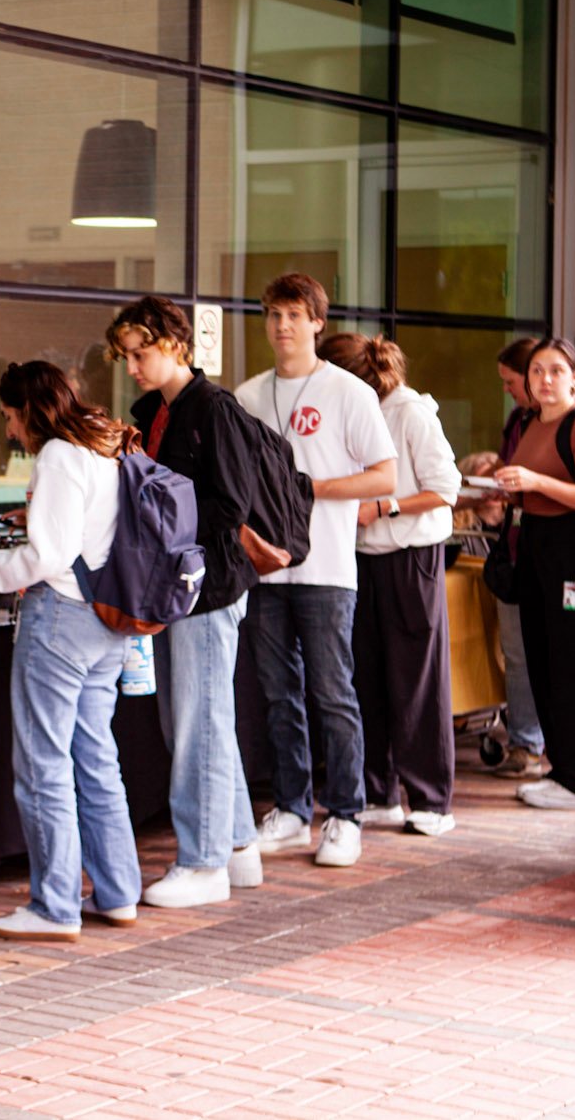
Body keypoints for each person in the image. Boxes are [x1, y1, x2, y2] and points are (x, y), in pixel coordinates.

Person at [0, 361, 142, 941]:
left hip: (60, 621)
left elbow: (48, 556)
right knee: (96, 758)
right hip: (105, 623)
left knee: (43, 764)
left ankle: (55, 906)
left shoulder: (59, 456)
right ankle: (117, 893)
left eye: (11, 417)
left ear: (30, 411)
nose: (10, 431)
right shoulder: (102, 445)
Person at [107, 296, 269, 908]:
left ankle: (204, 862)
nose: (132, 366)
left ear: (175, 344)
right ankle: (236, 845)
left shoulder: (214, 409)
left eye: (140, 353)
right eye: (126, 355)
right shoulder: (151, 410)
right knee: (198, 718)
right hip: (176, 582)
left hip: (207, 584)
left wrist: (157, 509)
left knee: (197, 719)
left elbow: (230, 505)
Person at [231, 275, 396, 870]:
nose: (282, 326)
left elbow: (385, 477)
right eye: (273, 314)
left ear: (318, 323)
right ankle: (294, 809)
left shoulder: (347, 392)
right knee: (278, 695)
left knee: (332, 694)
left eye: (295, 315)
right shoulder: (248, 396)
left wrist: (309, 490)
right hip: (267, 572)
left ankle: (345, 815)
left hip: (328, 567)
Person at [322, 333, 461, 837]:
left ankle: (431, 800)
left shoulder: (409, 411)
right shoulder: (352, 411)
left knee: (417, 680)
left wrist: (383, 506)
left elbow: (446, 488)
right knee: (367, 677)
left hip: (411, 557)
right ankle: (377, 792)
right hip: (359, 558)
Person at [492, 338, 575, 810]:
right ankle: (561, 770)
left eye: (555, 371)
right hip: (538, 544)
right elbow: (534, 488)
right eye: (536, 371)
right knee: (543, 659)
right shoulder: (530, 423)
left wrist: (535, 482)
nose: (544, 380)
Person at [488, 336, 546, 779]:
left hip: (556, 553)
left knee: (563, 650)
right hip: (514, 547)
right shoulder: (517, 421)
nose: (508, 390)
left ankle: (559, 745)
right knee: (517, 650)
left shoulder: (574, 422)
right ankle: (526, 743)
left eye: (511, 382)